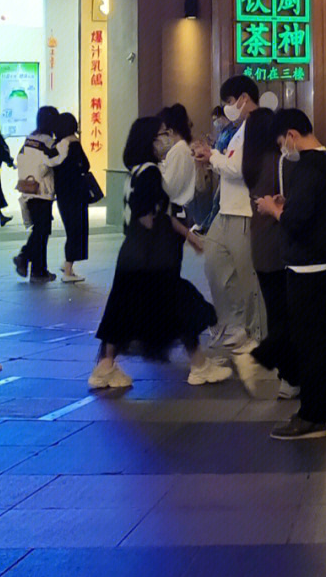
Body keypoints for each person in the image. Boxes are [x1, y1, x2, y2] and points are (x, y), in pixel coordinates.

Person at [89, 117, 227, 391]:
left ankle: (104, 367)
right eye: (161, 134)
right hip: (152, 255)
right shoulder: (151, 172)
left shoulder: (135, 171)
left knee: (122, 308)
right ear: (148, 140)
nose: (166, 139)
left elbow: (153, 212)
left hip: (131, 252)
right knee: (181, 305)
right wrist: (178, 234)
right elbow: (149, 215)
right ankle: (199, 366)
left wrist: (188, 235)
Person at [255, 109, 326, 439]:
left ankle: (311, 417)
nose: (283, 150)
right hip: (323, 265)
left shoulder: (308, 166)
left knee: (309, 343)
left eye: (282, 143)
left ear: (292, 134)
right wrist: (286, 205)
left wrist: (274, 208)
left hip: (306, 267)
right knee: (325, 339)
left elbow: (296, 220)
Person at [191, 76, 265, 355]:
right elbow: (229, 166)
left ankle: (256, 333)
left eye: (230, 102)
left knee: (248, 278)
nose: (228, 108)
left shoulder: (256, 126)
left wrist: (212, 156)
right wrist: (212, 158)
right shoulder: (239, 129)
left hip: (244, 211)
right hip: (226, 209)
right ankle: (235, 324)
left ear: (244, 98)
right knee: (216, 266)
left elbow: (240, 169)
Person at [243, 105, 300, 402]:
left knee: (275, 312)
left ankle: (285, 374)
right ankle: (290, 375)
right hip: (280, 245)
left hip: (260, 246)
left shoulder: (250, 163)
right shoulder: (280, 161)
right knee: (287, 315)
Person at [13, 106, 71, 282]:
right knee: (42, 230)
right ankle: (24, 255)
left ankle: (38, 271)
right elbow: (51, 162)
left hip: (27, 189)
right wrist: (67, 145)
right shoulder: (48, 142)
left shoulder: (29, 139)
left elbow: (20, 161)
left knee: (40, 229)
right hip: (42, 191)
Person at [52, 113, 92, 284]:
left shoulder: (56, 144)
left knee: (70, 229)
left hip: (62, 194)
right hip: (76, 193)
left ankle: (67, 264)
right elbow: (86, 165)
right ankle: (68, 270)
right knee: (77, 229)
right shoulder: (73, 143)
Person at [158, 104, 197, 220]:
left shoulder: (179, 150)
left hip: (176, 213)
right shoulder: (181, 148)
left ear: (169, 131)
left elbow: (169, 188)